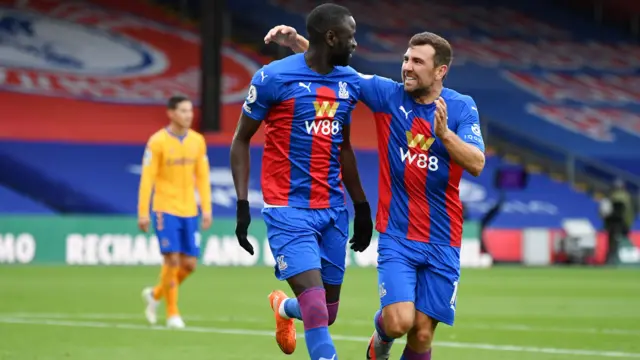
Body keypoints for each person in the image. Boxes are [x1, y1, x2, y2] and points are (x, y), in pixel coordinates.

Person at [265, 26, 486, 360]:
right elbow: (339, 72)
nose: (408, 67)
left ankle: (378, 345)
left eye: (418, 62)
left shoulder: (461, 108)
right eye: (406, 59)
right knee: (399, 322)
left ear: (441, 71)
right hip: (398, 234)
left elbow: (477, 163)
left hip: (444, 237)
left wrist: (445, 136)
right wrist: (298, 43)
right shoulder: (388, 95)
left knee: (422, 333)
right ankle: (381, 337)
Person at [230, 4, 374, 360]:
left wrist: (362, 207)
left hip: (332, 211)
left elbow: (345, 149)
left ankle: (282, 309)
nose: (355, 44)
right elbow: (240, 139)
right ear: (331, 36)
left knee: (328, 311)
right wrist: (242, 205)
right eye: (350, 35)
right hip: (287, 210)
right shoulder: (271, 78)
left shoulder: (346, 83)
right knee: (316, 309)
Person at [138, 95, 212, 329]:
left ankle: (156, 294)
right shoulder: (157, 142)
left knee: (189, 264)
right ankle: (172, 313)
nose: (188, 115)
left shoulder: (198, 141)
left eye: (190, 111)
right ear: (170, 113)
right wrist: (143, 211)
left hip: (189, 209)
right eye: (182, 111)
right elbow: (147, 179)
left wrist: (207, 209)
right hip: (165, 208)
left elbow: (202, 177)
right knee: (171, 258)